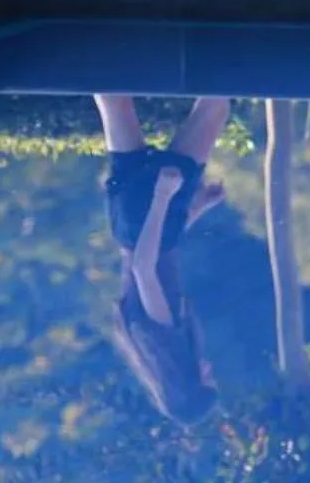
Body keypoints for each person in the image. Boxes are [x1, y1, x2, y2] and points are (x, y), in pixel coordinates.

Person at [97, 94, 233, 424]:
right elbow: (150, 257)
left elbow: (145, 269)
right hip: (128, 224)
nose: (210, 370)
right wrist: (197, 209)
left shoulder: (168, 332)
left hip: (151, 212)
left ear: (190, 381)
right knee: (114, 101)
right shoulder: (139, 338)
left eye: (208, 379)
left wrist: (163, 195)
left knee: (215, 106)